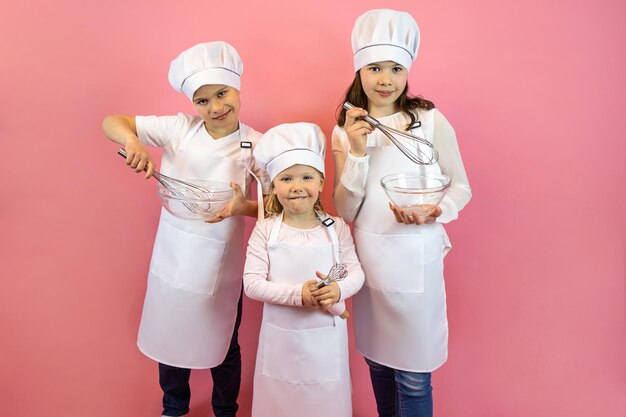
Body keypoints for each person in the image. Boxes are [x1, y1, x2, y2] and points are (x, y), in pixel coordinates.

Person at [101, 41, 269, 417]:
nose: (215, 107)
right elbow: (112, 121)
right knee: (170, 335)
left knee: (224, 343)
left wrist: (246, 207)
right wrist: (131, 140)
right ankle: (173, 408)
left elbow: (280, 206)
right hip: (173, 255)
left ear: (237, 88)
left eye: (222, 94)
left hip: (219, 264)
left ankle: (226, 409)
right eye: (203, 101)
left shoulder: (256, 145)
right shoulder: (179, 128)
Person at [331, 9, 472, 417]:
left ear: (407, 72)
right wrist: (356, 153)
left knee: (413, 375)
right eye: (374, 67)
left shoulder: (428, 121)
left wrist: (437, 210)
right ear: (359, 71)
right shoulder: (346, 129)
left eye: (395, 68)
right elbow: (346, 209)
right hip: (370, 261)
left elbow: (461, 186)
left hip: (417, 257)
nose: (385, 79)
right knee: (378, 363)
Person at [243, 123, 365, 417]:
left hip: (325, 342)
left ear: (321, 183)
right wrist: (298, 295)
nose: (297, 186)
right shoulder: (266, 229)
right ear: (274, 185)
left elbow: (355, 272)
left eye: (307, 177)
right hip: (280, 343)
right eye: (286, 179)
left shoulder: (335, 228)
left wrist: (338, 289)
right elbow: (252, 284)